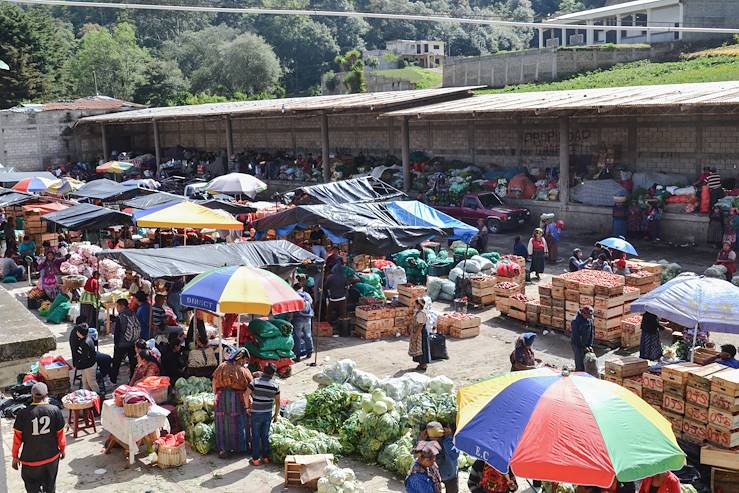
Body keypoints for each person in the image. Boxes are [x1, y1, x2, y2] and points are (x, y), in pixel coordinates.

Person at [12, 383, 66, 493]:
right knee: (50, 487)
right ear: (47, 395)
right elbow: (60, 434)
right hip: (51, 457)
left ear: (32, 395)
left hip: (30, 461)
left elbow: (17, 439)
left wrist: (15, 456)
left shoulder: (22, 414)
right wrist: (62, 449)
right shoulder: (55, 410)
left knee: (32, 488)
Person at [212, 347, 253, 458]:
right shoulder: (243, 371)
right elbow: (250, 387)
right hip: (237, 399)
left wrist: (215, 396)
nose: (245, 362)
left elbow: (214, 381)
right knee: (239, 422)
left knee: (222, 423)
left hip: (221, 398)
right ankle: (239, 447)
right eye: (245, 360)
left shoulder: (222, 366)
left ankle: (223, 449)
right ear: (241, 358)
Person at [247, 363, 280, 466]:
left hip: (256, 413)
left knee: (256, 436)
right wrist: (276, 415)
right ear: (273, 374)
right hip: (267, 414)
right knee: (265, 435)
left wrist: (247, 407)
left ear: (263, 370)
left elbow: (245, 394)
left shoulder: (255, 382)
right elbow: (278, 402)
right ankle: (266, 457)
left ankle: (256, 459)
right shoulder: (275, 385)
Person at [417, 422, 459, 493]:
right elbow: (418, 457)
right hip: (433, 477)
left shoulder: (448, 441)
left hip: (451, 476)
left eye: (437, 437)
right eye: (432, 437)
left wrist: (448, 438)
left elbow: (454, 455)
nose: (435, 440)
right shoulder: (426, 442)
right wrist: (420, 441)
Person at [110, 298, 140, 385]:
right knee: (133, 363)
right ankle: (132, 379)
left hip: (121, 344)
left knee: (116, 362)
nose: (117, 308)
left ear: (122, 306)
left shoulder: (121, 317)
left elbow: (117, 333)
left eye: (118, 306)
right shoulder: (133, 313)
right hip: (132, 342)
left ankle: (113, 380)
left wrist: (116, 344)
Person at [69, 323, 99, 393]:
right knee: (85, 382)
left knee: (92, 383)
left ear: (79, 333)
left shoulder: (85, 343)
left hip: (89, 366)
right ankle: (87, 397)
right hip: (88, 365)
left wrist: (78, 365)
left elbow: (84, 358)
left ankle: (99, 396)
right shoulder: (87, 338)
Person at [292, 283, 314, 362]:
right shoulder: (307, 295)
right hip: (308, 318)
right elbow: (311, 303)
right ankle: (310, 352)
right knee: (308, 335)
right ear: (302, 287)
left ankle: (297, 355)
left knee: (297, 337)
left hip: (298, 318)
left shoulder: (294, 295)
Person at [409, 298, 431, 372]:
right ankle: (421, 364)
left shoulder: (421, 314)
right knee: (419, 348)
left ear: (419, 305)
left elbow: (420, 326)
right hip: (419, 332)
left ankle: (424, 365)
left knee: (422, 348)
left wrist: (416, 335)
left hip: (421, 333)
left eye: (415, 304)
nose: (414, 305)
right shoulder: (418, 312)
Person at [571, 306, 594, 372]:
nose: (588, 318)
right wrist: (583, 347)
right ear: (583, 314)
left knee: (587, 362)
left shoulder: (589, 319)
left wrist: (590, 345)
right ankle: (578, 375)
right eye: (587, 316)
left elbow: (591, 332)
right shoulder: (575, 321)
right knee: (579, 363)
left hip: (586, 344)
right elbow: (576, 336)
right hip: (577, 345)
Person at [325, 262, 347, 327]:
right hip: (342, 298)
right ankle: (342, 329)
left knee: (329, 313)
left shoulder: (330, 278)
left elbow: (326, 286)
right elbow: (346, 286)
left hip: (333, 299)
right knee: (342, 314)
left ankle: (329, 327)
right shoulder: (343, 277)